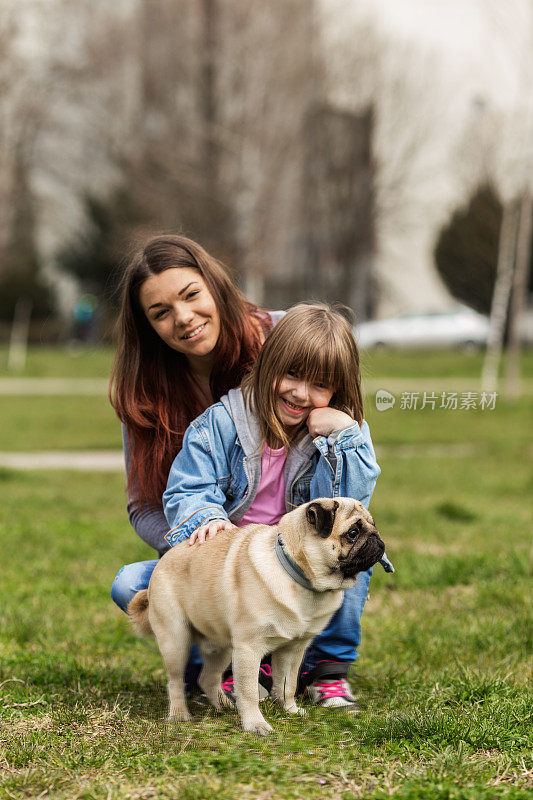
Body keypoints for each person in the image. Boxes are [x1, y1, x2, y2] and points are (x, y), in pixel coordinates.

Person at [163, 303, 393, 711]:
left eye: (320, 385)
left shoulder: (343, 436)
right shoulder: (221, 424)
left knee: (354, 562)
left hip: (298, 563)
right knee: (135, 584)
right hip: (238, 565)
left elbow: (353, 503)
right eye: (292, 374)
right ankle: (234, 666)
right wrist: (207, 518)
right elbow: (187, 490)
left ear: (337, 391)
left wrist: (345, 435)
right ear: (268, 364)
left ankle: (327, 672)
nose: (301, 393)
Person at [109, 235, 284, 692]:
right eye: (160, 312)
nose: (183, 318)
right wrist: (201, 543)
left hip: (282, 551)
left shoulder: (281, 341)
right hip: (208, 558)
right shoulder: (143, 390)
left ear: (215, 286)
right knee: (131, 585)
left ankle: (298, 665)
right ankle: (223, 669)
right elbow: (142, 508)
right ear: (147, 327)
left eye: (191, 295)